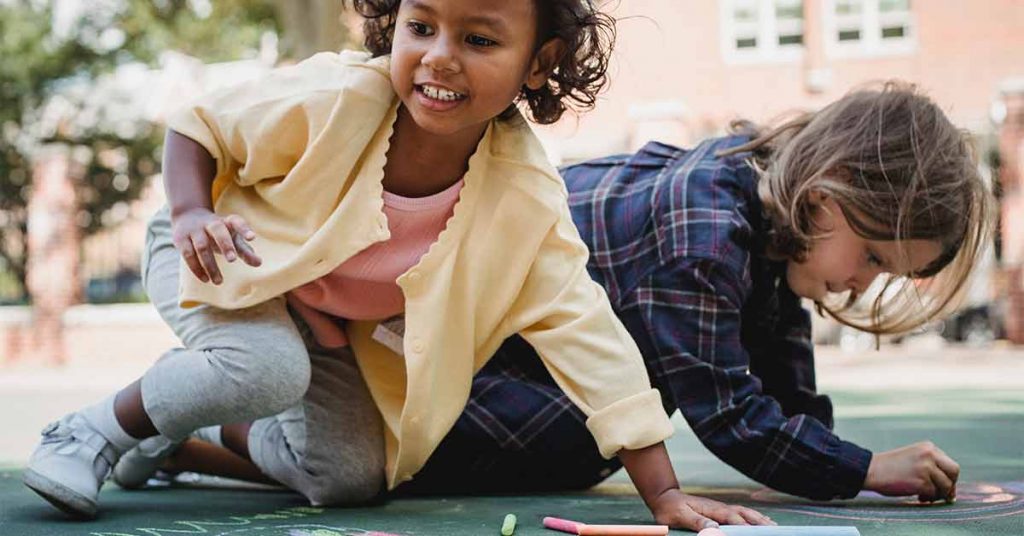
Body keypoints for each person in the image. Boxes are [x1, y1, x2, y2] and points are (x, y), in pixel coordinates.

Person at [23, 0, 768, 530]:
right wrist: (191, 213)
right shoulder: (341, 95)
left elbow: (589, 339)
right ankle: (85, 434)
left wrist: (664, 494)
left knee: (350, 480)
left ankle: (173, 432)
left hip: (320, 311)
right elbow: (200, 128)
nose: (438, 55)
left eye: (479, 39)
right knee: (266, 368)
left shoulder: (525, 203)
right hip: (224, 252)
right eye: (421, 27)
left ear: (538, 64)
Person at [401, 82, 992, 504]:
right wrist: (865, 469)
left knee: (615, 423)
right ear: (821, 197)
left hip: (494, 377)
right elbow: (731, 413)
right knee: (600, 433)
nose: (863, 284)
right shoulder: (704, 235)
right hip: (436, 394)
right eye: (871, 257)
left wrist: (840, 462)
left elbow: (786, 389)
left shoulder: (765, 221)